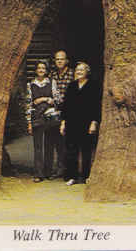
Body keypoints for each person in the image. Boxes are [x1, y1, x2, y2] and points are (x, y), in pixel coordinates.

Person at [60, 61, 101, 185]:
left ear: (87, 72)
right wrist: (63, 123)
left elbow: (96, 105)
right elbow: (65, 105)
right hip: (72, 122)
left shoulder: (94, 86)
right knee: (71, 150)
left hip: (86, 123)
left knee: (86, 150)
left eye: (81, 70)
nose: (79, 72)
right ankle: (72, 176)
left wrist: (94, 122)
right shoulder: (71, 86)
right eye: (77, 70)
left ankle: (85, 176)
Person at [26, 59, 56, 181]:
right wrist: (28, 122)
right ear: (36, 70)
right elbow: (28, 104)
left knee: (49, 145)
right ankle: (38, 174)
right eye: (39, 68)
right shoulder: (30, 85)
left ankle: (48, 171)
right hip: (36, 117)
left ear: (46, 70)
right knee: (38, 146)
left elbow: (57, 99)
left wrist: (45, 99)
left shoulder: (52, 83)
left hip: (49, 117)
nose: (41, 70)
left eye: (43, 68)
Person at [50, 49, 74, 177]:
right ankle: (59, 168)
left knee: (69, 141)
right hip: (56, 112)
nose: (59, 61)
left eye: (62, 59)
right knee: (57, 141)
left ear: (66, 61)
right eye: (57, 59)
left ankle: (69, 170)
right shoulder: (52, 75)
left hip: (69, 112)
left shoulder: (72, 74)